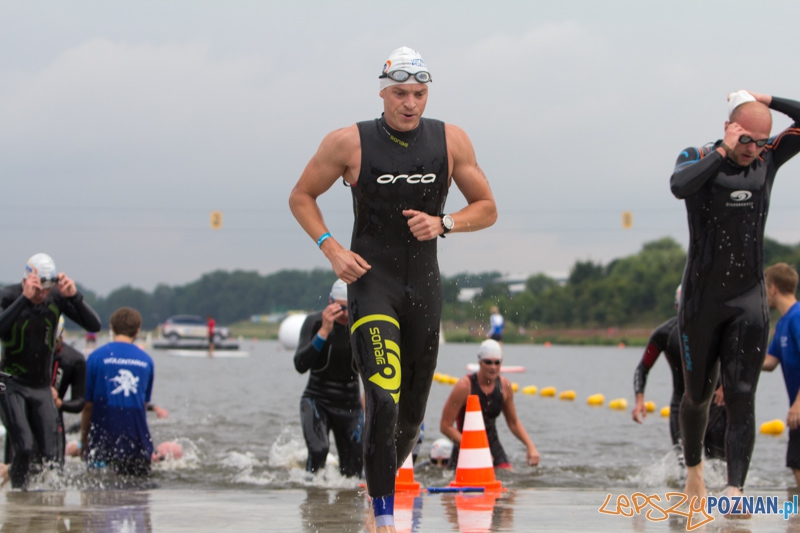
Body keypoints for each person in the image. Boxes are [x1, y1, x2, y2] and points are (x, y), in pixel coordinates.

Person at [289, 46, 497, 532]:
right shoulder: (349, 142)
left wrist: (444, 222)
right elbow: (301, 196)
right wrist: (332, 248)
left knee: (408, 417)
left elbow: (486, 207)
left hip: (424, 289)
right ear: (383, 92)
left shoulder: (451, 141)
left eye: (419, 94)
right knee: (382, 396)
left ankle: (376, 486)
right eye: (400, 93)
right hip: (370, 285)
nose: (410, 103)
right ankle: (384, 519)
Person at [670, 90, 800, 501]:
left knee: (742, 395)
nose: (755, 150)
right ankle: (694, 473)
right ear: (730, 129)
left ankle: (734, 487)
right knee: (697, 396)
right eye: (748, 140)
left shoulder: (769, 159)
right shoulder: (697, 155)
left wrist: (769, 99)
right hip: (701, 301)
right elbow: (679, 186)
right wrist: (723, 150)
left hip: (748, 299)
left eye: (763, 141)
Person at [0, 253, 101, 488]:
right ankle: (19, 501)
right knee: (23, 446)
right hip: (10, 384)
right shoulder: (9, 296)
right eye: (38, 289)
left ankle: (46, 505)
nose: (42, 295)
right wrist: (25, 299)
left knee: (52, 454)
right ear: (28, 279)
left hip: (40, 386)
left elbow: (94, 326)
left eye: (47, 289)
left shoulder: (56, 297)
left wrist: (74, 297)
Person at [631, 286, 726, 462]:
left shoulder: (716, 330)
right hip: (681, 405)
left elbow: (732, 359)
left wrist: (725, 385)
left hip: (715, 404)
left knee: (719, 465)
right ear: (676, 308)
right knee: (685, 465)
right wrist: (639, 401)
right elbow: (642, 368)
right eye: (684, 308)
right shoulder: (664, 334)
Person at [293, 279, 363, 478]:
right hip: (317, 400)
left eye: (350, 308)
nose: (346, 315)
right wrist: (324, 332)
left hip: (350, 405)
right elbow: (300, 365)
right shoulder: (314, 322)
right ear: (330, 302)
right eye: (340, 308)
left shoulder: (362, 326)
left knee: (354, 468)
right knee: (318, 450)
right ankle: (312, 497)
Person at [440, 340, 539, 470]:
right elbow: (445, 426)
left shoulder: (505, 386)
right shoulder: (465, 386)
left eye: (497, 362)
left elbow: (513, 422)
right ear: (480, 362)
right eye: (488, 362)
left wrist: (530, 446)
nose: (493, 367)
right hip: (466, 445)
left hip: (492, 445)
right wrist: (475, 448)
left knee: (510, 484)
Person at [81, 307, 156, 477]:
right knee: (138, 493)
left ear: (111, 327)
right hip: (138, 441)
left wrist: (84, 441)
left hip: (103, 440)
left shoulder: (95, 357)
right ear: (137, 331)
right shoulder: (147, 361)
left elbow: (87, 406)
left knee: (99, 492)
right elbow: (143, 406)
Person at [761, 263, 800, 486]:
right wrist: (737, 362)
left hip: (799, 406)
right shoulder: (783, 323)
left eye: (765, 288)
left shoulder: (797, 318)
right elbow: (769, 362)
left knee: (796, 461)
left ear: (773, 288)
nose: (765, 295)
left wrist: (797, 404)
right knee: (796, 462)